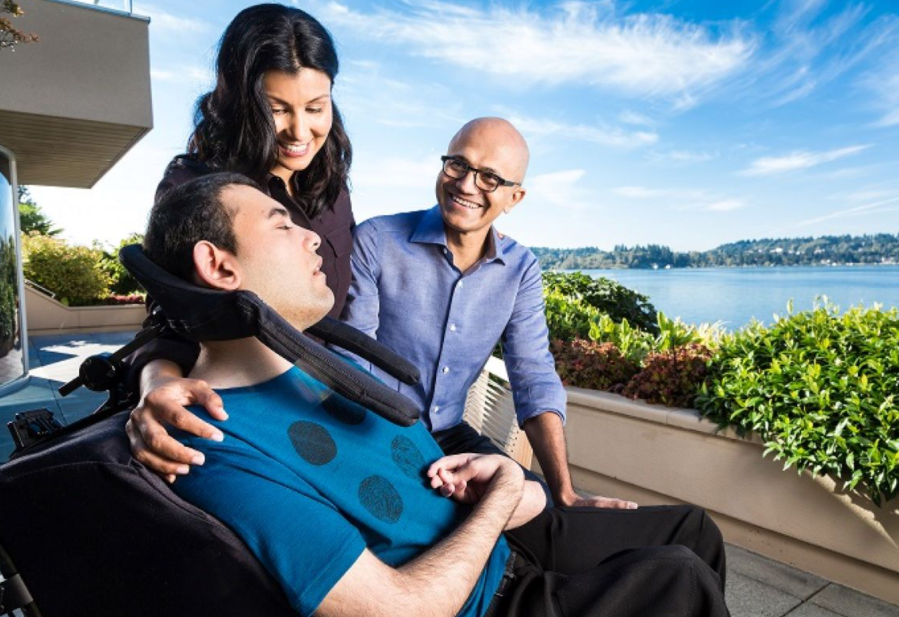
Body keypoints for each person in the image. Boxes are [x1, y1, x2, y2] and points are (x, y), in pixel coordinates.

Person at [143, 172, 730, 617]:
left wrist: (530, 490)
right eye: (282, 225)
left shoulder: (333, 369)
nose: (315, 242)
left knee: (693, 533)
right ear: (217, 266)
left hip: (492, 538)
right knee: (676, 577)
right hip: (485, 595)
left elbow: (526, 387)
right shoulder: (211, 441)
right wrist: (504, 493)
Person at [130, 116, 635, 510]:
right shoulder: (376, 238)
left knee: (550, 511)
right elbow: (356, 350)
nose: (466, 183)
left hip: (454, 431)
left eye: (489, 177)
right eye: (456, 164)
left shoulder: (522, 269)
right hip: (380, 426)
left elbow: (533, 376)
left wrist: (564, 489)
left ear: (514, 197)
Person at [125, 4, 355, 478]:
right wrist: (156, 384)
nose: (300, 131)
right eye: (276, 110)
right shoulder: (195, 185)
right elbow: (173, 317)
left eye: (316, 108)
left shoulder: (331, 182)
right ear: (237, 103)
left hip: (330, 402)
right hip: (249, 416)